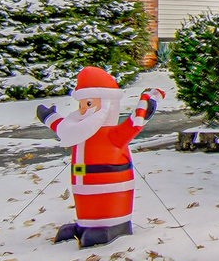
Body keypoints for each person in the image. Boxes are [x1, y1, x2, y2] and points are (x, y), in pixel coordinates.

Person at [37, 67, 160, 247]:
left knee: (105, 200)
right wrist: (48, 116)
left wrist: (144, 110)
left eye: (88, 104)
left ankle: (115, 224)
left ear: (106, 104)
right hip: (82, 183)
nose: (82, 110)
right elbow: (64, 128)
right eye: (81, 105)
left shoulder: (111, 134)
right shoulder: (80, 130)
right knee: (86, 201)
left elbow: (132, 125)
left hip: (111, 185)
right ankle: (86, 224)